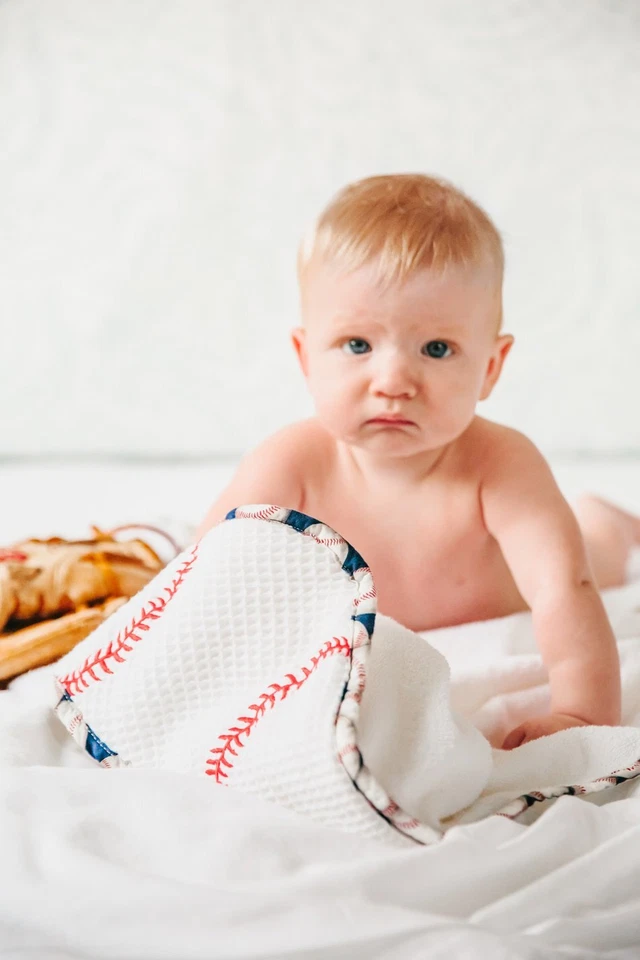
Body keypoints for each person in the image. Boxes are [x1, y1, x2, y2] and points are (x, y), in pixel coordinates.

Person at [196, 173, 640, 750]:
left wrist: (582, 714)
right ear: (306, 357)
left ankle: (611, 520)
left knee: (593, 546)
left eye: (436, 349)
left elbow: (564, 587)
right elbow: (204, 577)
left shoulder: (501, 465)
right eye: (358, 345)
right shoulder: (293, 461)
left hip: (538, 576)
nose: (394, 382)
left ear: (490, 366)